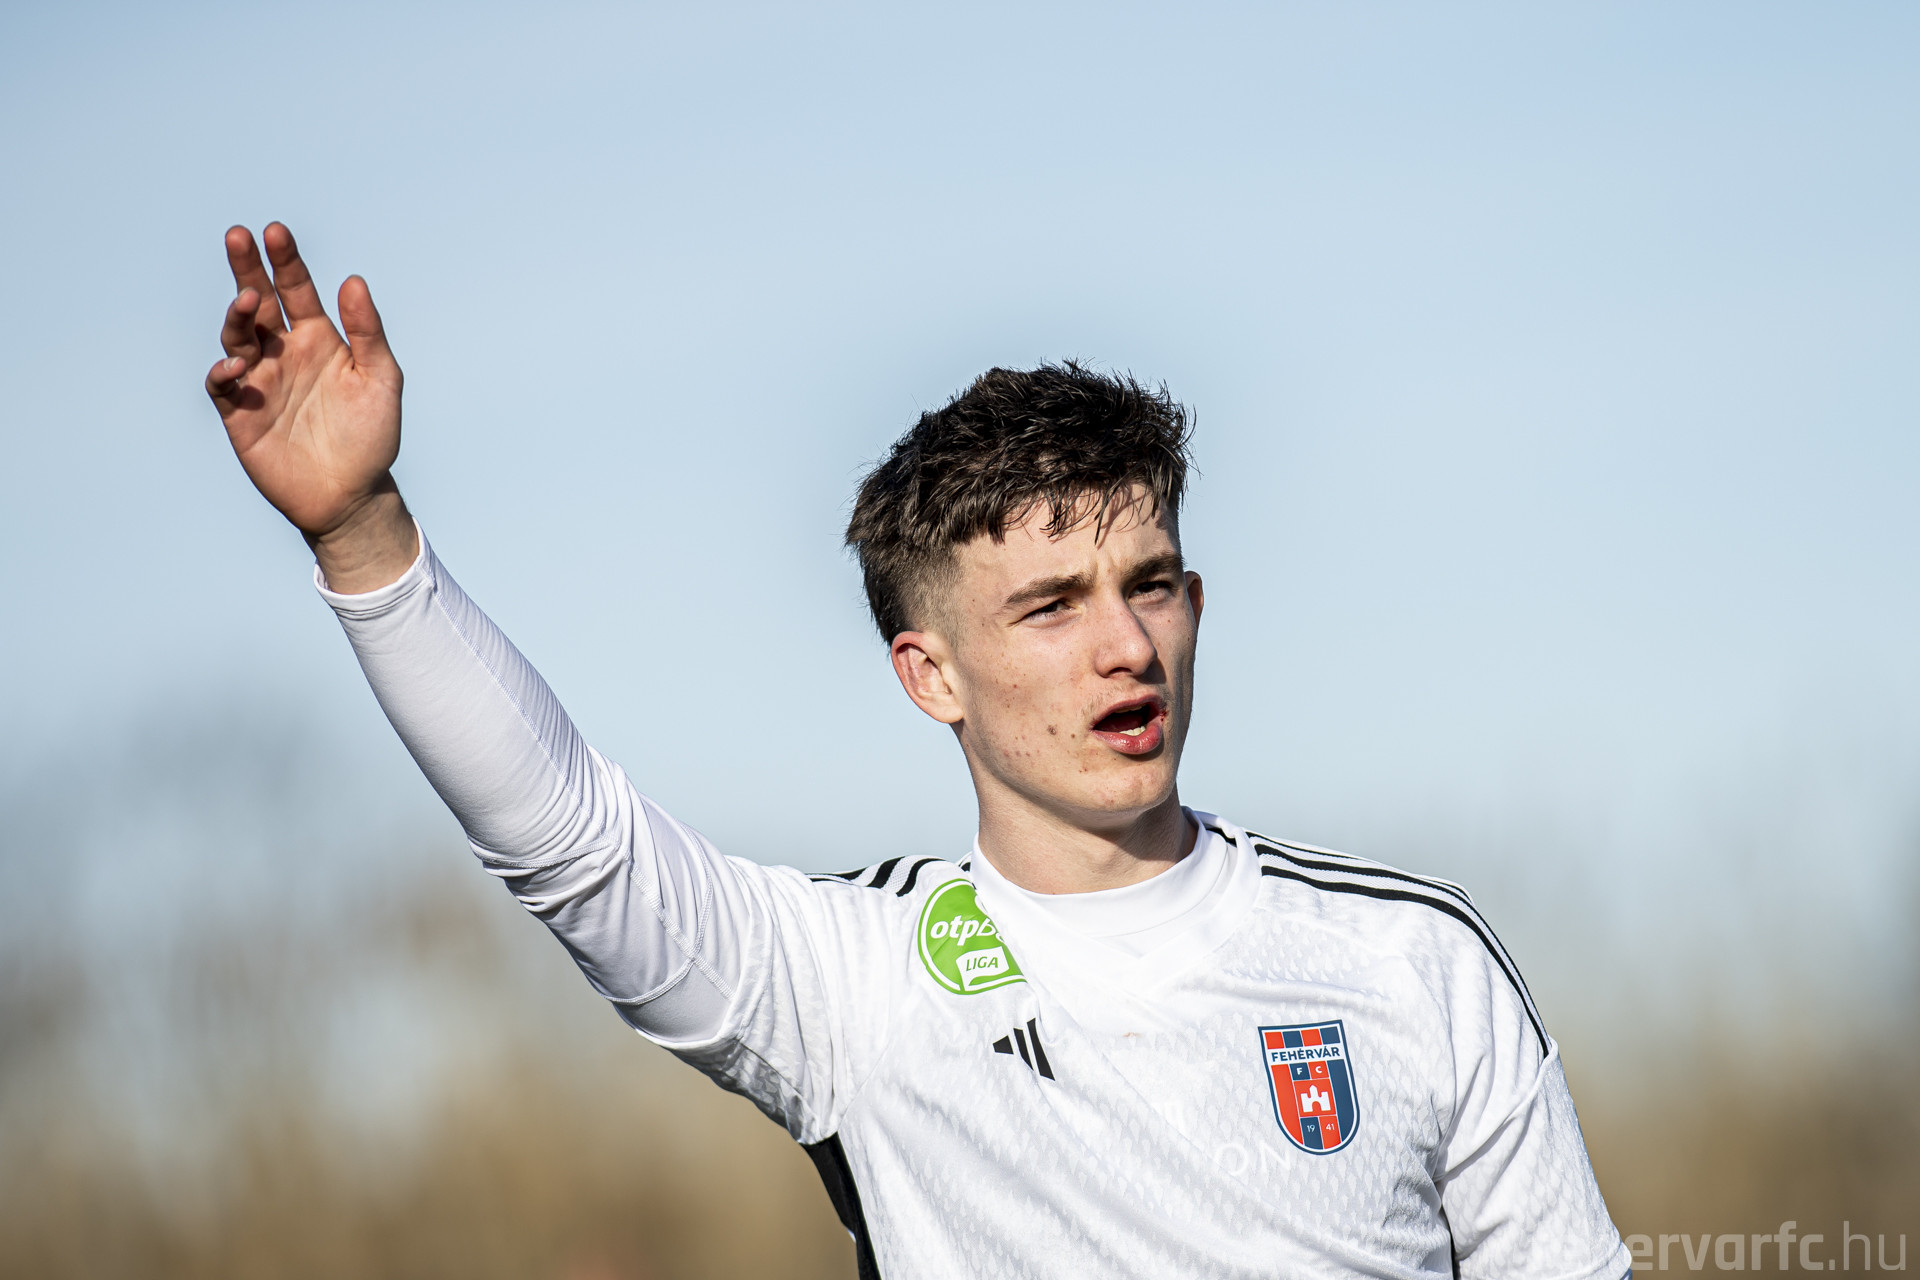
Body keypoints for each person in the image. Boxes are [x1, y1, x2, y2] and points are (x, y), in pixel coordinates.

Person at [205, 222, 1630, 1280]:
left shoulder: (1414, 958)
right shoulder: (858, 983)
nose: (1125, 645)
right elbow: (571, 841)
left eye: (1148, 585)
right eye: (1051, 607)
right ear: (928, 673)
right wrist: (363, 534)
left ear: (1195, 603)